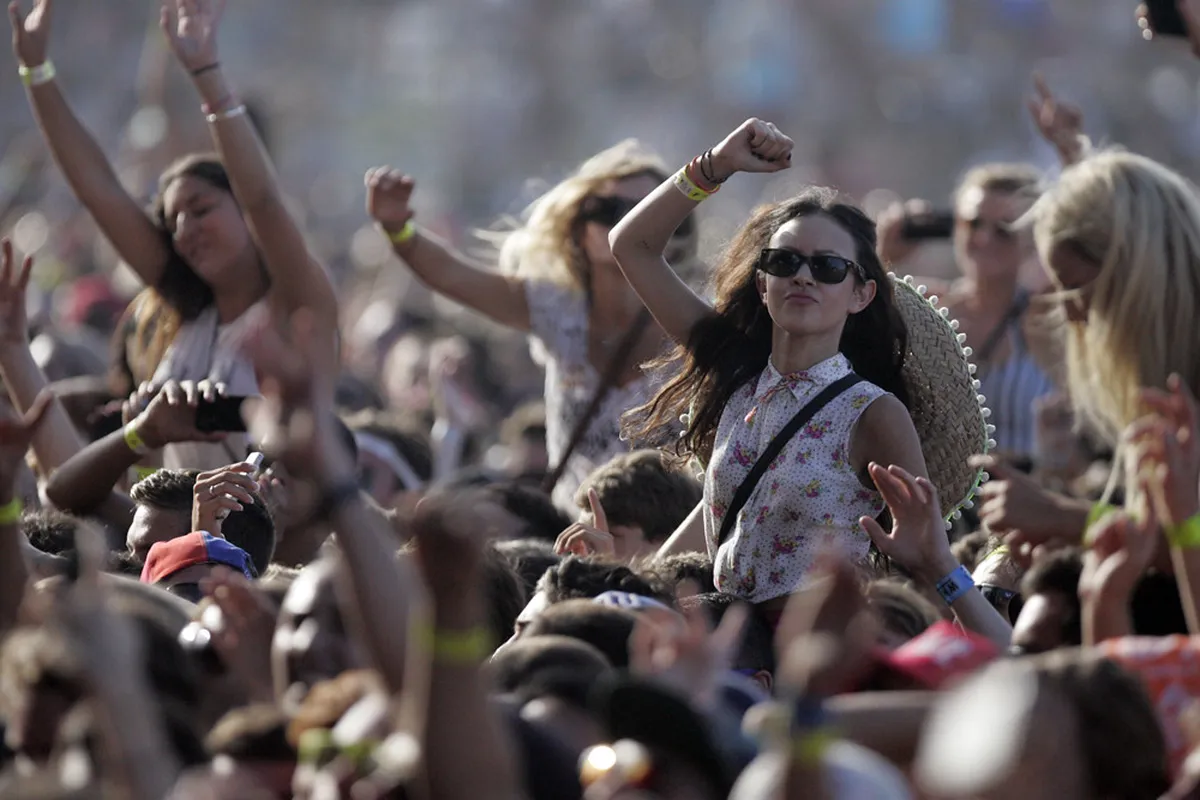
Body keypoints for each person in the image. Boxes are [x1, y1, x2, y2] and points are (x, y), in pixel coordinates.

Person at [610, 118, 985, 608]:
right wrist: (716, 165)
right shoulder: (735, 372)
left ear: (861, 294)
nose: (803, 277)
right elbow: (631, 246)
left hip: (820, 652)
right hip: (731, 646)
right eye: (785, 262)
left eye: (828, 268)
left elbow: (923, 562)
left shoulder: (874, 413)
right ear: (763, 285)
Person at [9, 0, 338, 472]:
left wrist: (207, 73)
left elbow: (265, 200)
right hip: (179, 537)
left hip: (271, 540)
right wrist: (36, 70)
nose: (184, 230)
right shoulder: (192, 312)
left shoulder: (296, 304)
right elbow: (98, 190)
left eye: (201, 209)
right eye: (172, 220)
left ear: (245, 214)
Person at [364, 139, 698, 510]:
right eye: (605, 208)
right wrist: (397, 229)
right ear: (578, 225)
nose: (623, 222)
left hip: (668, 545)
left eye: (644, 210)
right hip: (574, 535)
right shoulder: (555, 309)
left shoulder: (696, 319)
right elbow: (450, 275)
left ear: (675, 232)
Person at [877, 163, 1057, 464]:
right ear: (956, 226)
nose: (984, 239)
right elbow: (850, 319)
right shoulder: (926, 307)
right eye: (974, 223)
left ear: (1033, 237)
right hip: (938, 495)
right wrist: (882, 257)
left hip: (1024, 497)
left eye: (1004, 230)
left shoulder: (1048, 318)